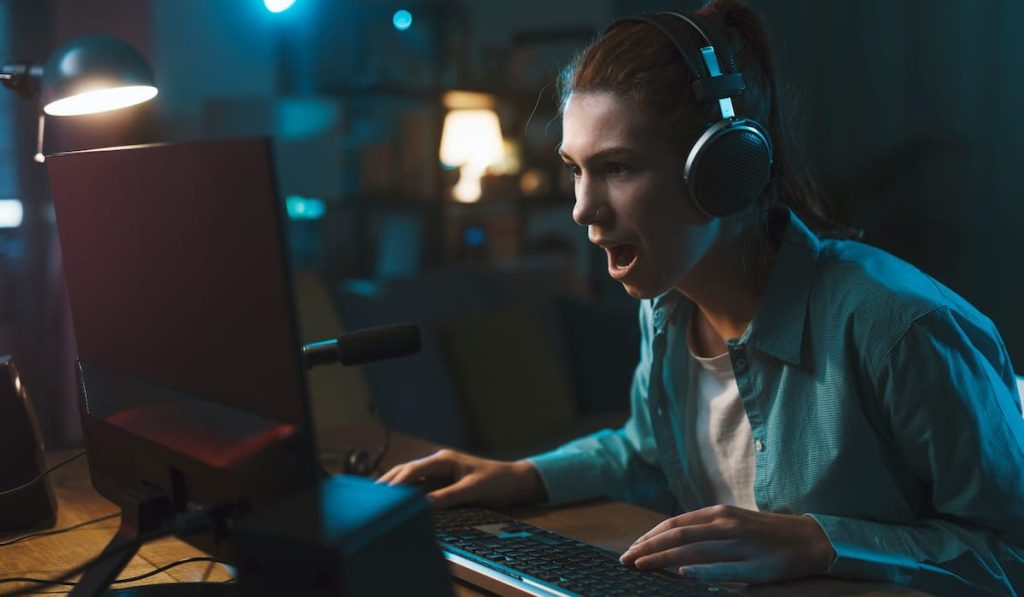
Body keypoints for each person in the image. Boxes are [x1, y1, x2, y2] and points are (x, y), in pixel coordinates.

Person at [378, 0, 1024, 593]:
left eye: (618, 168)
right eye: (576, 169)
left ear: (725, 169)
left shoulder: (903, 328)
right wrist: (522, 475)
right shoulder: (664, 307)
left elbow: (1010, 552)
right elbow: (643, 448)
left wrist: (820, 540)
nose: (581, 209)